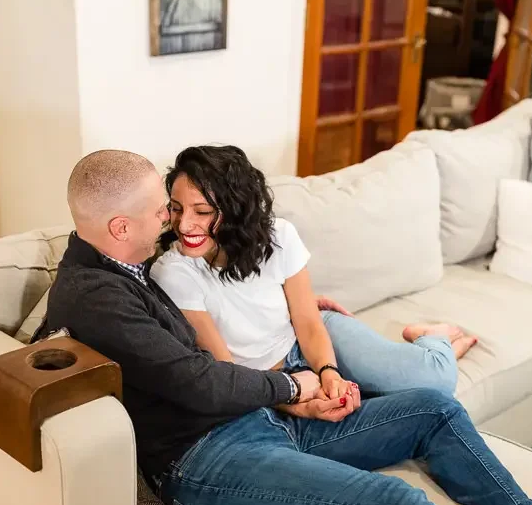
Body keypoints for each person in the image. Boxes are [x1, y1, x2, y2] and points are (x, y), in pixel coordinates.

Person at [41, 149, 532, 505]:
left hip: (252, 422)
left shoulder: (124, 262)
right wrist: (295, 389)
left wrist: (297, 310)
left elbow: (228, 270)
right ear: (119, 227)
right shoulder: (97, 296)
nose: (171, 221)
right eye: (163, 209)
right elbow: (198, 380)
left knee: (434, 409)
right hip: (205, 462)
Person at [150, 145, 476, 403]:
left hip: (312, 339)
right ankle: (438, 350)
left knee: (436, 380)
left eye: (202, 211)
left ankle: (430, 339)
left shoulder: (279, 236)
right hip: (269, 381)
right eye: (177, 208)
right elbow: (227, 370)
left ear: (235, 211)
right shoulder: (174, 273)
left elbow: (307, 321)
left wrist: (329, 372)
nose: (183, 224)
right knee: (414, 397)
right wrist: (295, 393)